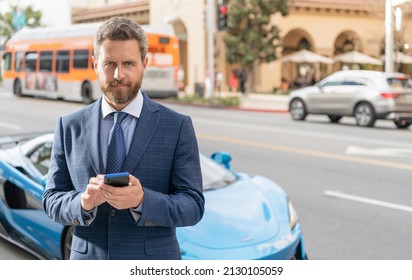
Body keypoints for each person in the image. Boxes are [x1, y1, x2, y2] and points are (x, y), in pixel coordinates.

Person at [42, 16, 205, 260]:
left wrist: (142, 201)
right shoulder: (69, 125)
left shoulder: (177, 126)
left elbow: (193, 206)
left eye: (128, 63)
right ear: (95, 64)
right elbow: (51, 200)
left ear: (144, 63)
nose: (118, 74)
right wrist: (83, 203)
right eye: (109, 64)